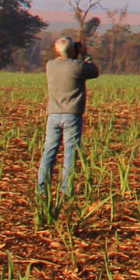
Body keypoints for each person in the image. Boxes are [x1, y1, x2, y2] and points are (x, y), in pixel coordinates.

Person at [37, 35, 99, 193]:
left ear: (56, 50)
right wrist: (85, 55)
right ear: (72, 50)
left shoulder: (50, 65)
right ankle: (66, 189)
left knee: (49, 150)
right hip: (71, 115)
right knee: (70, 152)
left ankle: (42, 188)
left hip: (53, 115)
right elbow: (94, 71)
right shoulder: (77, 66)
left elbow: (63, 59)